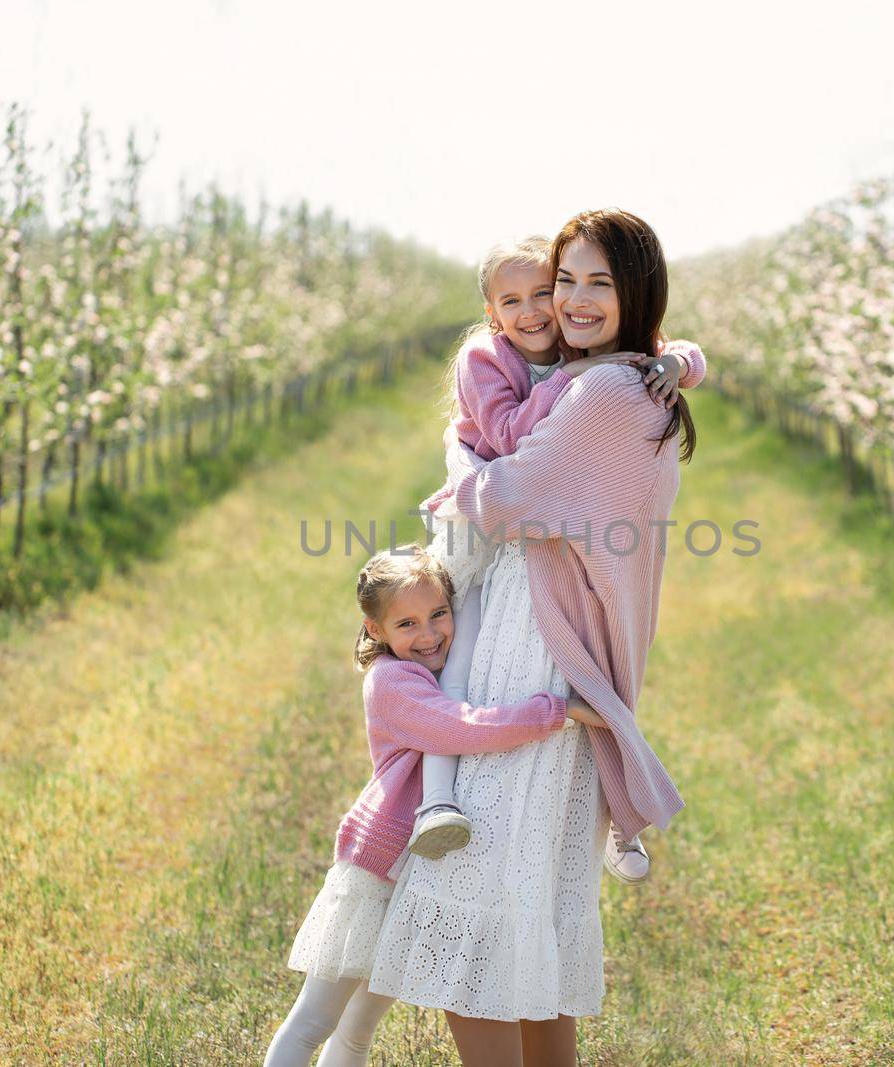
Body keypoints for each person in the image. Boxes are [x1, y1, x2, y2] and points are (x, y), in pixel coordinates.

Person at [367, 208, 698, 1066]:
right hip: (544, 647)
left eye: (600, 282)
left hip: (528, 648)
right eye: (566, 282)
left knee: (467, 886)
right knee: (536, 901)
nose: (576, 300)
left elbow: (504, 499)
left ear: (637, 292)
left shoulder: (602, 394)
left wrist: (455, 452)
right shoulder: (637, 383)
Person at [412, 234, 706, 886]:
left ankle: (620, 821)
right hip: (470, 517)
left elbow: (669, 349)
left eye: (545, 290)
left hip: (513, 515)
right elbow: (511, 436)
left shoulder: (586, 360)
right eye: (513, 300)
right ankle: (436, 796)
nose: (541, 308)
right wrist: (570, 384)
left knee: (575, 687)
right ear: (491, 314)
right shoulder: (488, 357)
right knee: (451, 646)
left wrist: (681, 365)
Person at [263, 546, 606, 1067]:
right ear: (374, 629)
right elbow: (459, 726)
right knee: (315, 1020)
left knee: (358, 1031)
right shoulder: (393, 682)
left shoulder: (424, 671)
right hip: (378, 869)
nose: (428, 635)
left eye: (439, 614)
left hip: (415, 876)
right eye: (406, 623)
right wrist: (553, 711)